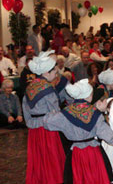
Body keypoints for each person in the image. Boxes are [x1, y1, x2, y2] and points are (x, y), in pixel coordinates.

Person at [43, 79, 113, 184]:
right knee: (96, 177)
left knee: (79, 178)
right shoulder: (94, 112)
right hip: (93, 151)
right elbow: (105, 132)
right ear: (89, 95)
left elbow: (47, 123)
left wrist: (54, 112)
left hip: (76, 151)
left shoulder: (65, 113)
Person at [22, 50, 65, 184]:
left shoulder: (30, 86)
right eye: (54, 71)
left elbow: (25, 108)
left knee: (38, 158)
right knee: (51, 158)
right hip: (47, 129)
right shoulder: (48, 89)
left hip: (34, 129)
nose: (56, 73)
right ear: (46, 72)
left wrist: (31, 123)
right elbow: (55, 112)